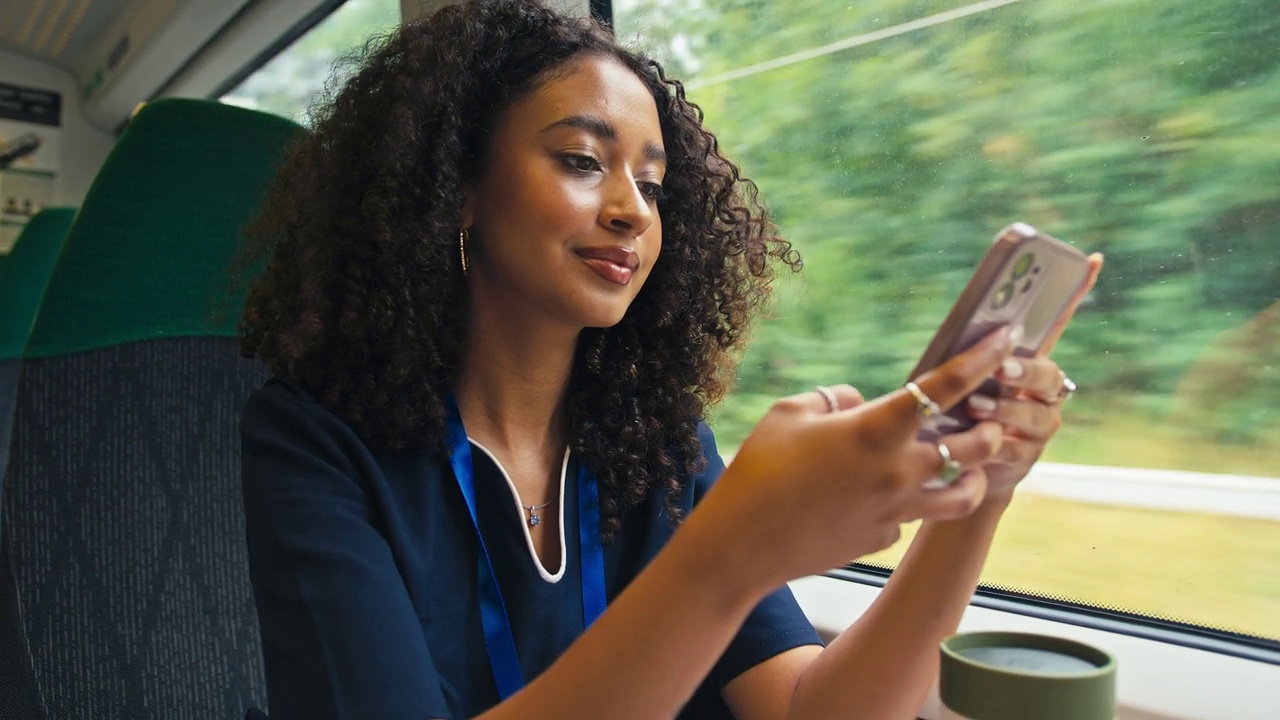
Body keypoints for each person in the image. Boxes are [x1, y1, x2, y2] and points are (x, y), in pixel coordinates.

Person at [236, 1, 1103, 718]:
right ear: (457, 187)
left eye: (651, 185)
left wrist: (977, 501)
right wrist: (731, 554)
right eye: (582, 161)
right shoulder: (313, 445)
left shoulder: (654, 444)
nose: (631, 211)